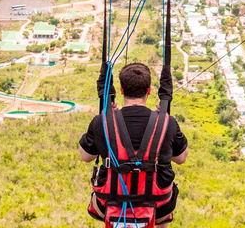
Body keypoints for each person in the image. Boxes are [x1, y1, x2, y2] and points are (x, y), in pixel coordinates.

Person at [79, 63, 188, 227]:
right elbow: (181, 158)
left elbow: (85, 156)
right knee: (160, 211)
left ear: (122, 90)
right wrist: (164, 121)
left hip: (109, 200)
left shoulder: (102, 122)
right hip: (158, 201)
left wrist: (103, 121)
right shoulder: (167, 123)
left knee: (115, 205)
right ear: (149, 90)